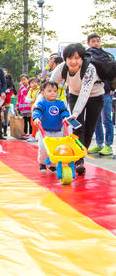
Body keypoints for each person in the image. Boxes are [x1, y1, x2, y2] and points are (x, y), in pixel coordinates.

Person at [50, 43, 105, 175]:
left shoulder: (90, 68)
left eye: (77, 58)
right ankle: (78, 160)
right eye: (70, 58)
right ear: (65, 59)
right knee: (78, 127)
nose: (73, 61)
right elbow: (49, 86)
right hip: (74, 94)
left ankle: (81, 155)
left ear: (82, 59)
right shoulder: (61, 68)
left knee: (89, 128)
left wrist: (74, 113)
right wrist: (39, 105)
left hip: (95, 96)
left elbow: (85, 94)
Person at [32, 81, 70, 173]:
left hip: (58, 130)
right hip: (44, 131)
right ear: (43, 93)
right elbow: (37, 111)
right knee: (43, 148)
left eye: (55, 91)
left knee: (57, 148)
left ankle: (53, 165)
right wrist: (36, 118)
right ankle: (42, 163)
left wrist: (65, 117)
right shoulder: (42, 103)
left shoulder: (60, 103)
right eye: (49, 91)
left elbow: (64, 111)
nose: (53, 93)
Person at [86, 34, 114, 156]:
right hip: (92, 92)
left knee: (106, 118)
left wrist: (112, 87)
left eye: (98, 41)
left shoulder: (107, 56)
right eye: (93, 41)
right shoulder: (86, 56)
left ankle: (109, 145)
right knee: (95, 119)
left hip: (106, 92)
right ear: (88, 43)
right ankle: (99, 143)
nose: (96, 43)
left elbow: (112, 72)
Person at [16, 74, 32, 139]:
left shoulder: (30, 87)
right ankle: (25, 133)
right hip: (23, 108)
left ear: (28, 79)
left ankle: (31, 134)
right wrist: (17, 105)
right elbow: (19, 97)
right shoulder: (21, 88)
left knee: (30, 121)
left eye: (24, 79)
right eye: (22, 80)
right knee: (24, 121)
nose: (23, 81)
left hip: (29, 107)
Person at [2, 72, 17, 139]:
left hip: (5, 103)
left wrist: (3, 95)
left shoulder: (11, 88)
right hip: (2, 103)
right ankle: (2, 131)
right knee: (3, 117)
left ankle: (4, 131)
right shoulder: (10, 87)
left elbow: (8, 97)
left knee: (4, 117)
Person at [26, 77, 40, 142]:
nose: (34, 84)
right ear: (29, 84)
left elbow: (39, 99)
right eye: (32, 83)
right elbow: (27, 99)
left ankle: (38, 136)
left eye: (35, 82)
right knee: (33, 123)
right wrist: (32, 100)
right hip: (33, 109)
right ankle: (33, 136)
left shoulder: (39, 90)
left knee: (38, 123)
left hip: (39, 109)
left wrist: (32, 101)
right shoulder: (30, 91)